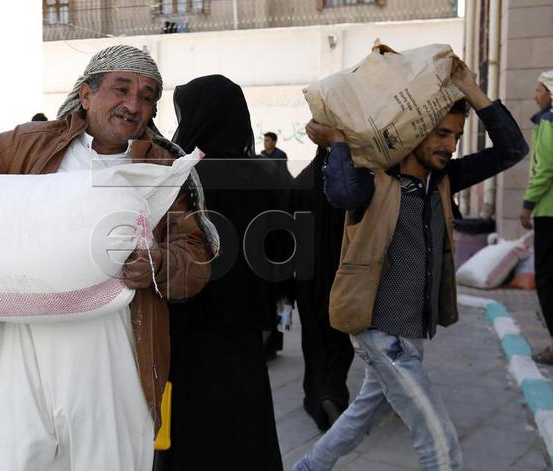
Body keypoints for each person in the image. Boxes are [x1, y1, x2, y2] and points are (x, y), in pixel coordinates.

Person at [0, 45, 216, 471]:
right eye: (121, 89)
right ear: (86, 94)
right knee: (7, 460)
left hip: (113, 346)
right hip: (17, 340)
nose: (133, 105)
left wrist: (159, 263)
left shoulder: (164, 168)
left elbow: (196, 254)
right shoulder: (28, 145)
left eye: (147, 96)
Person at [294, 60, 528, 471]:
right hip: (382, 333)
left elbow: (512, 149)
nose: (450, 146)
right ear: (415, 130)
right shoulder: (373, 181)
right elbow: (341, 192)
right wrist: (336, 142)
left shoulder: (444, 179)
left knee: (360, 415)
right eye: (441, 134)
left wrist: (471, 91)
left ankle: (309, 467)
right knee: (439, 441)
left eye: (456, 136)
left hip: (411, 333)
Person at [155, 75, 283, 471]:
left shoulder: (181, 177)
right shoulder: (266, 175)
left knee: (191, 428)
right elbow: (281, 254)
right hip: (243, 328)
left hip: (189, 324)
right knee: (244, 423)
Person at [289, 146, 354, 431]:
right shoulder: (351, 185)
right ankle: (334, 394)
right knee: (340, 341)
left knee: (313, 340)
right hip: (344, 275)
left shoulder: (302, 180)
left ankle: (316, 397)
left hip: (306, 278)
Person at [521, 70, 553, 364]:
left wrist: (527, 205)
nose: (536, 95)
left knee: (546, 278)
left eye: (539, 90)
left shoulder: (548, 121)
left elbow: (545, 168)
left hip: (548, 212)